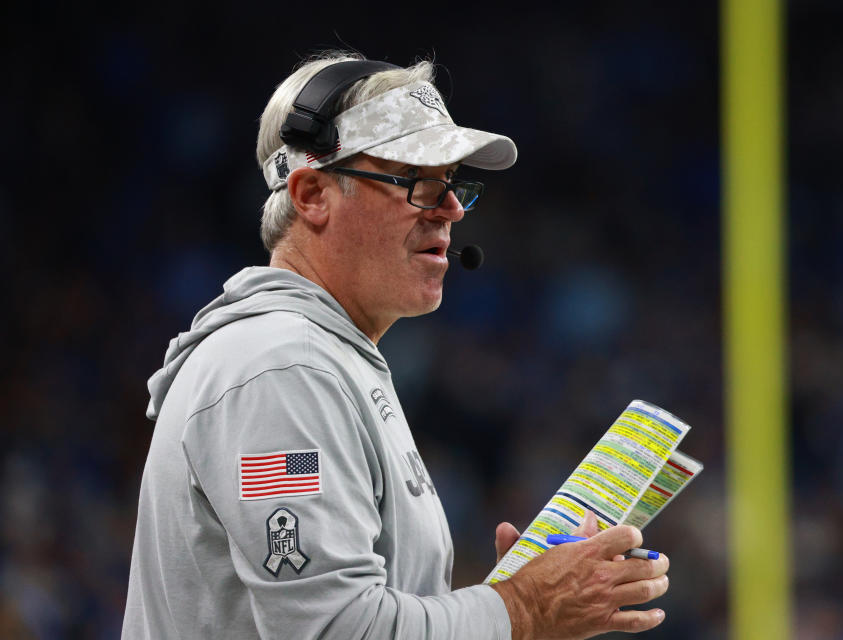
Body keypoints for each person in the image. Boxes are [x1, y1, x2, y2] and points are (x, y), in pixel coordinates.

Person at [122, 52, 670, 640]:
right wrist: (523, 609)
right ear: (311, 195)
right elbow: (337, 630)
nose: (452, 209)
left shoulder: (323, 358)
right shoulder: (282, 369)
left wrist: (519, 607)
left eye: (454, 185)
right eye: (418, 182)